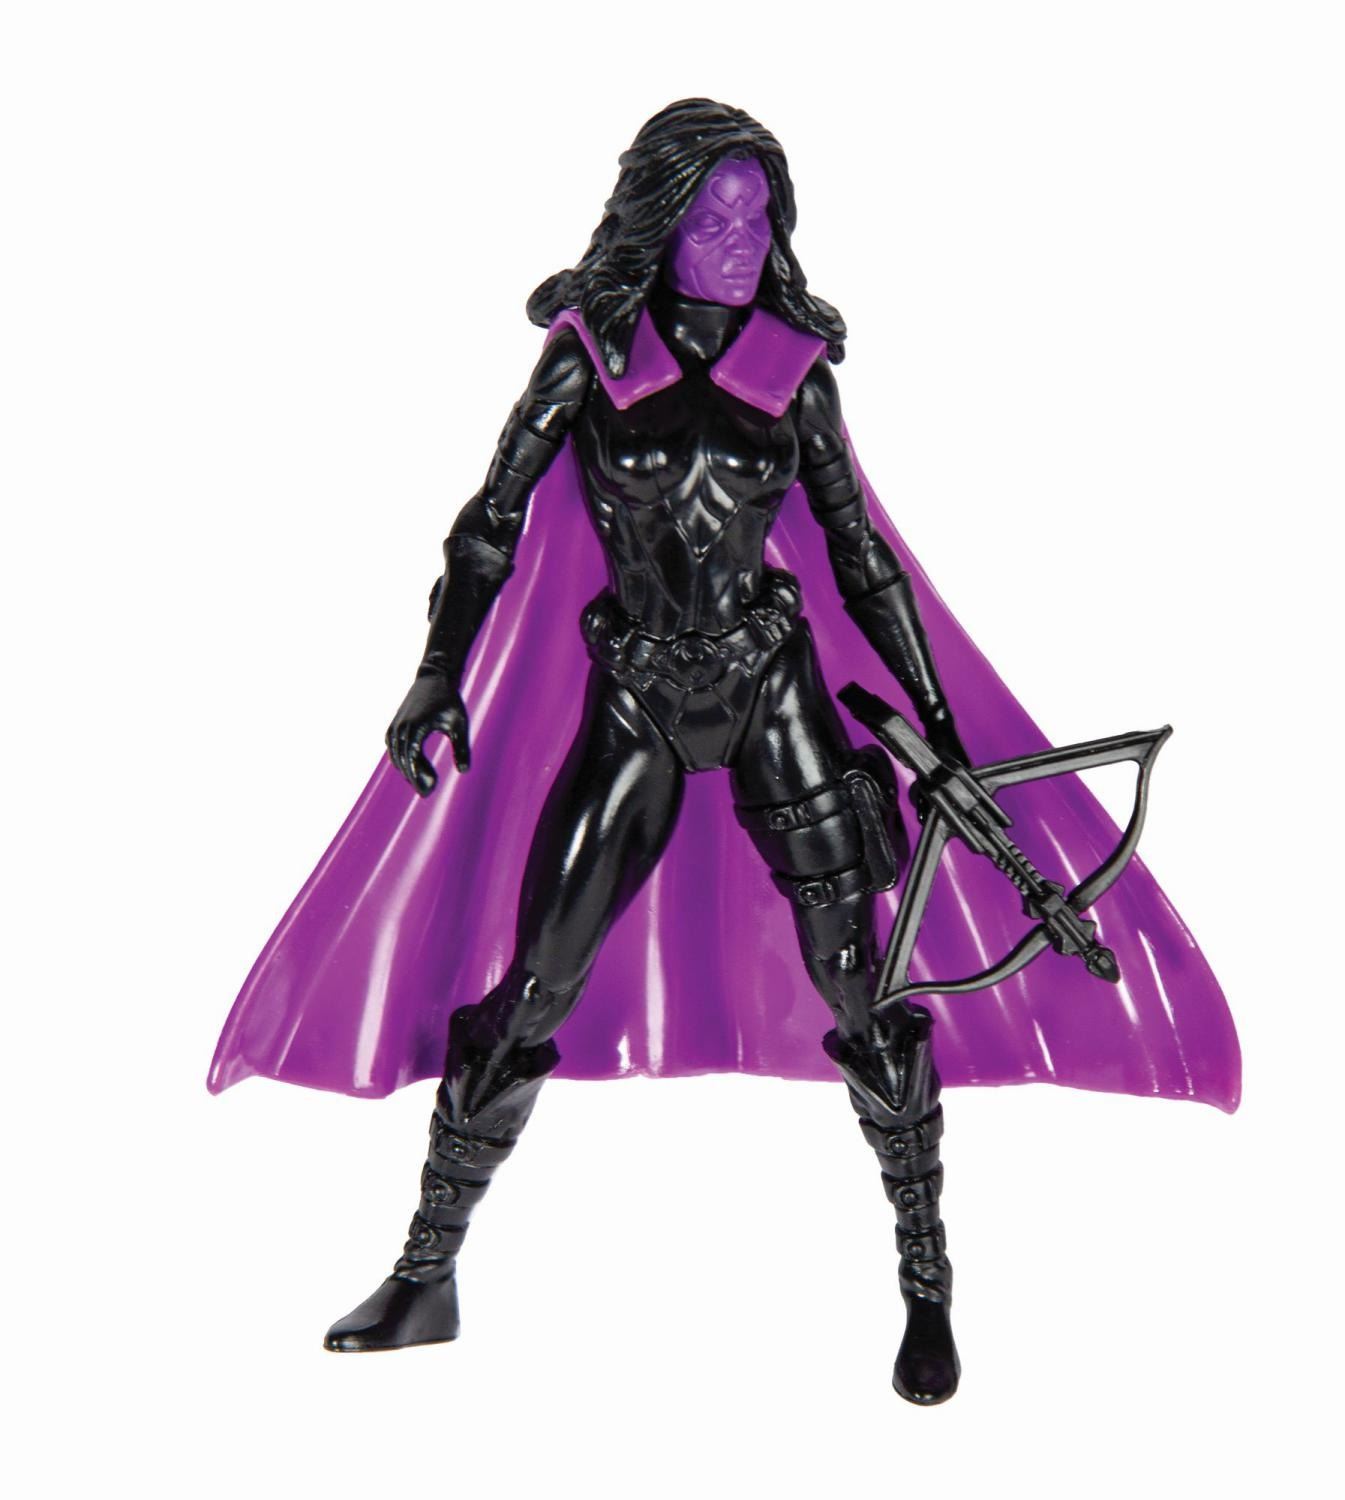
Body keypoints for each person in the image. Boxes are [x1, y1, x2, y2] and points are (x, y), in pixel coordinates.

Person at [210, 99, 1240, 1406]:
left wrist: (936, 716)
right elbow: (488, 527)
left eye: (757, 219)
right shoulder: (591, 357)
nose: (738, 242)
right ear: (661, 220)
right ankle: (428, 1271)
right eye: (712, 218)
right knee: (536, 982)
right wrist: (435, 674)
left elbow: (859, 554)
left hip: (774, 692)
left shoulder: (791, 371)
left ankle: (926, 1285)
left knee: (858, 987)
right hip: (636, 694)